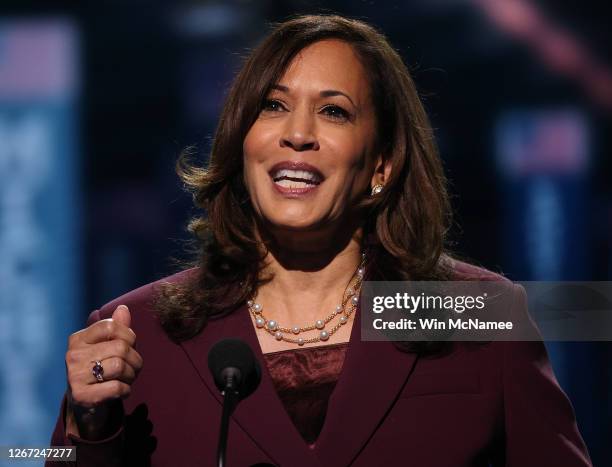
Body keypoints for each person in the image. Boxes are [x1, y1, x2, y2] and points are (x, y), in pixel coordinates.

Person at [48, 14, 592, 467]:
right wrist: (89, 426)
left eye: (334, 111)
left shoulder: (473, 313)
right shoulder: (137, 332)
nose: (298, 133)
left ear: (381, 165)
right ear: (243, 144)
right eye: (273, 105)